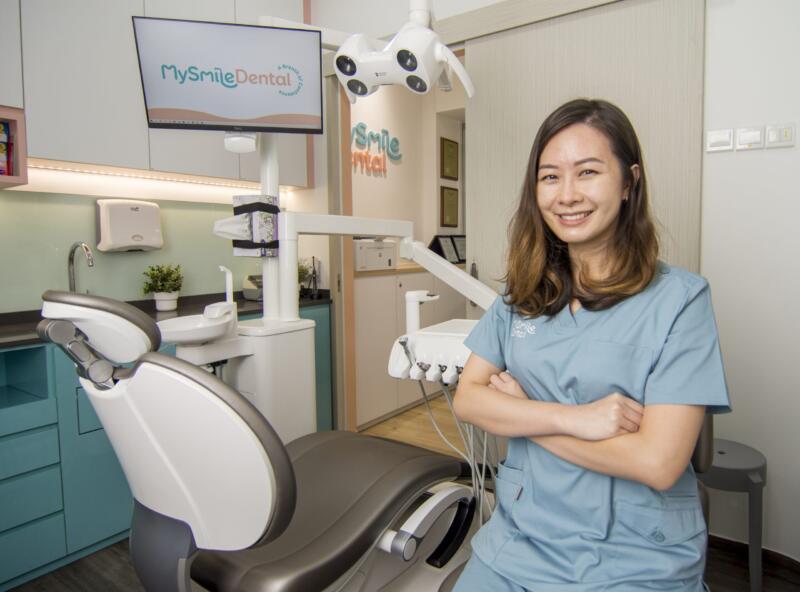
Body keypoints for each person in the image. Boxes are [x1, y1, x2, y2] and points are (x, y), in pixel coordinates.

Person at [452, 98, 730, 591]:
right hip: (520, 538)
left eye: (588, 172)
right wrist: (575, 418)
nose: (567, 195)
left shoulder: (681, 301)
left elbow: (657, 463)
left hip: (635, 554)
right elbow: (469, 399)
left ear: (629, 182)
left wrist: (526, 418)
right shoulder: (523, 296)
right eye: (550, 177)